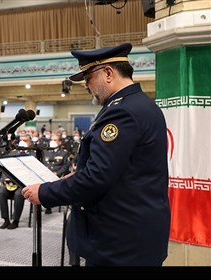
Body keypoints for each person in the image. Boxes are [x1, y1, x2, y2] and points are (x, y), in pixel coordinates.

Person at [22, 43, 171, 266]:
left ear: (108, 73)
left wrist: (45, 192)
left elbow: (97, 176)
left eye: (88, 77)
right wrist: (74, 176)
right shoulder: (141, 105)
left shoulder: (122, 112)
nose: (85, 85)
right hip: (135, 231)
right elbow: (123, 168)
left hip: (121, 240)